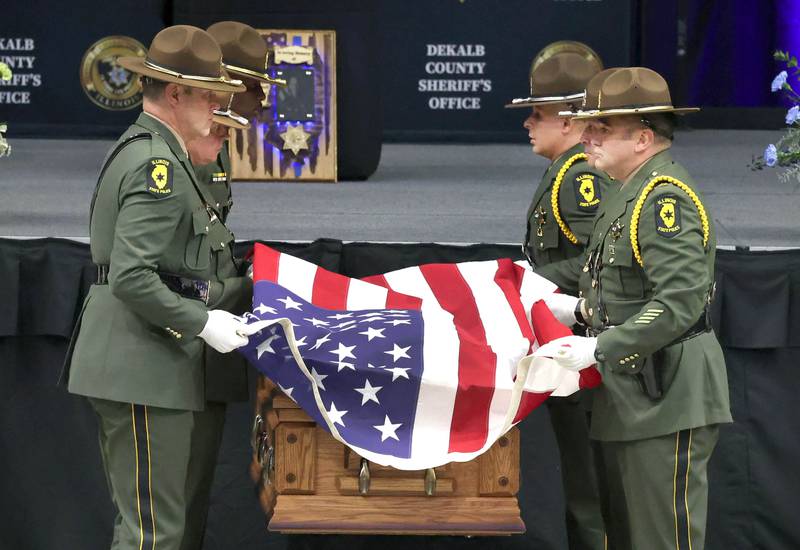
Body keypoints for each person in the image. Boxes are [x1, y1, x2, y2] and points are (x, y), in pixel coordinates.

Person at [62, 25, 251, 550]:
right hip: (141, 365)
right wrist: (203, 321)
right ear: (176, 93)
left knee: (160, 527)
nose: (217, 109)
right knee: (154, 535)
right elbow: (131, 275)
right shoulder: (156, 164)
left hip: (149, 363)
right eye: (211, 97)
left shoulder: (158, 151)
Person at [537, 67, 733, 550]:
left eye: (602, 128)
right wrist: (579, 310)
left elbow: (680, 300)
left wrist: (602, 346)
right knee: (622, 535)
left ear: (643, 137)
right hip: (632, 391)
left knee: (658, 539)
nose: (587, 136)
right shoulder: (629, 189)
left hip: (666, 391)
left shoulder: (665, 198)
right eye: (588, 125)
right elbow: (622, 284)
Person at [506, 43, 612, 550]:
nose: (528, 123)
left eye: (537, 114)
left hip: (588, 347)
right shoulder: (565, 171)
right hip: (570, 342)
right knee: (582, 482)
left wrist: (536, 281)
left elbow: (603, 258)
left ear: (569, 121)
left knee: (590, 489)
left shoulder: (580, 176)